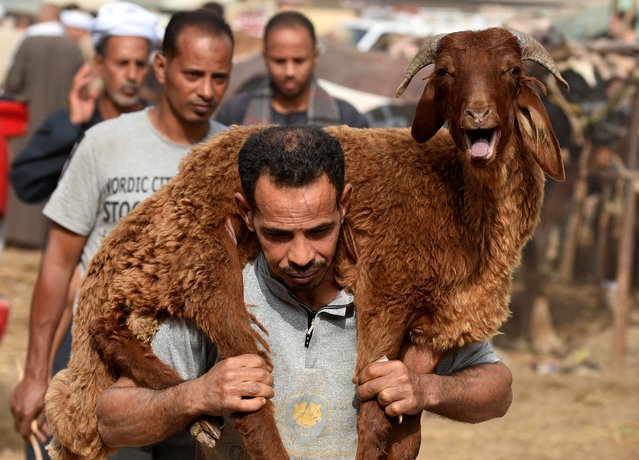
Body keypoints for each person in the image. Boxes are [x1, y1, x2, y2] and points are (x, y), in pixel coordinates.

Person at [95, 126, 512, 459]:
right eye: (278, 234)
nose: (300, 255)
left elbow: (497, 389)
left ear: (344, 204)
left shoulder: (392, 294)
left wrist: (427, 389)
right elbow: (114, 419)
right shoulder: (221, 298)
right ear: (246, 213)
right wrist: (196, 394)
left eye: (319, 231)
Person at [10, 8, 234, 460]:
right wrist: (36, 374)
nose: (206, 91)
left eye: (219, 77)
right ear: (161, 67)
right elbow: (58, 261)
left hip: (192, 378)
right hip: (102, 368)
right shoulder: (104, 143)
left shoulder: (231, 155)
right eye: (193, 74)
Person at [9, 1, 157, 204]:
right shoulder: (77, 121)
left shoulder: (158, 123)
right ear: (99, 63)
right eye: (122, 63)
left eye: (139, 64)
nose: (132, 75)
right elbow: (25, 183)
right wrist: (71, 127)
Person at [3, 2, 85, 247]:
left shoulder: (30, 44)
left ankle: (18, 235)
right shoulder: (73, 49)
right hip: (61, 124)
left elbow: (12, 83)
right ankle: (41, 236)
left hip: (28, 123)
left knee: (25, 172)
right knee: (52, 175)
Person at [215, 10, 369, 128]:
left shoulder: (347, 119)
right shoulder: (235, 114)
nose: (290, 72)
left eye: (299, 61)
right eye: (279, 61)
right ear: (265, 57)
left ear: (315, 56)